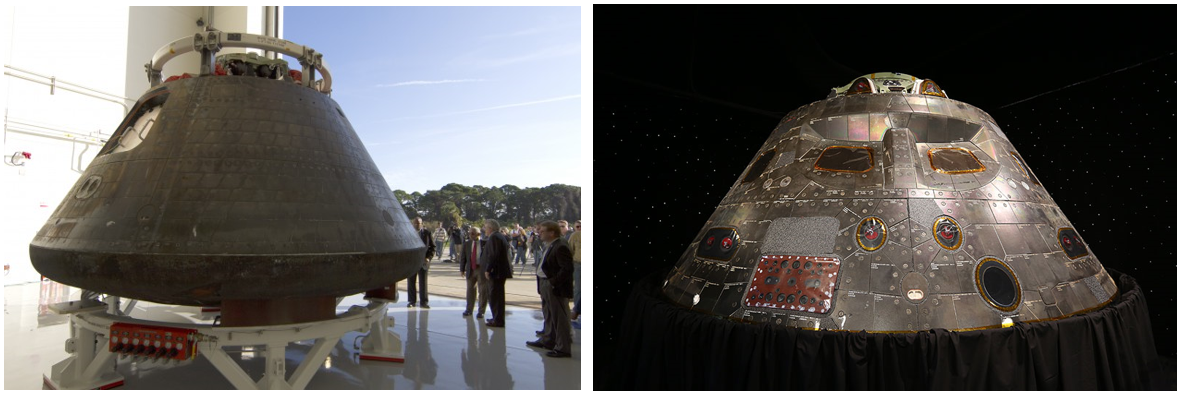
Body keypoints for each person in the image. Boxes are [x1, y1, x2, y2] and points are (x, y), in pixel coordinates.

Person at [524, 220, 574, 358]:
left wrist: (553, 282)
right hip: (545, 284)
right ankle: (549, 340)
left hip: (554, 287)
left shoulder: (560, 246)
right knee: (549, 316)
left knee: (559, 318)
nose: (539, 233)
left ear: (552, 233)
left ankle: (563, 348)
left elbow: (567, 269)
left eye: (542, 231)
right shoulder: (551, 245)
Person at [482, 219, 512, 327]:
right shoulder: (499, 236)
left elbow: (493, 255)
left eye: (485, 227)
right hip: (499, 271)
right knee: (496, 296)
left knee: (496, 296)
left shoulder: (495, 237)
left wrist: (488, 269)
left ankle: (498, 320)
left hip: (497, 272)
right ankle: (496, 317)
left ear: (490, 228)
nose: (484, 229)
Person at [460, 226, 489, 318]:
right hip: (470, 269)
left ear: (479, 234)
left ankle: (481, 311)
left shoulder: (485, 243)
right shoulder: (467, 244)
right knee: (470, 290)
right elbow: (463, 257)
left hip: (481, 269)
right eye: (469, 233)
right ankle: (469, 309)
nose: (470, 235)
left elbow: (489, 257)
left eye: (472, 233)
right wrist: (462, 269)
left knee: (482, 291)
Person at [408, 217, 435, 308]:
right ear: (413, 224)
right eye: (415, 223)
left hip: (423, 262)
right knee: (411, 282)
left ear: (422, 224)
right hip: (412, 262)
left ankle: (424, 302)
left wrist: (428, 257)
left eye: (419, 223)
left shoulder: (427, 233)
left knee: (423, 283)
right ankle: (412, 301)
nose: (417, 225)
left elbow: (433, 247)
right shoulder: (409, 233)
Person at [569, 220, 582, 321]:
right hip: (578, 264)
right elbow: (570, 249)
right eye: (577, 227)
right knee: (578, 288)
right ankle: (577, 311)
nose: (579, 228)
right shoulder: (575, 236)